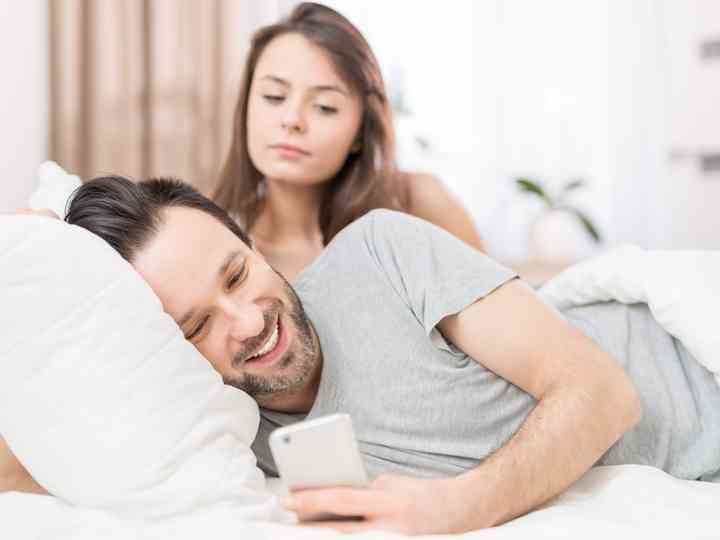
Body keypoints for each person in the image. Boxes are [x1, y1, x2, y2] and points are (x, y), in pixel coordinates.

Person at [6, 176, 720, 535]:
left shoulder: (379, 252)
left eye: (237, 274)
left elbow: (603, 391)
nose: (247, 321)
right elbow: (36, 455)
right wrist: (37, 262)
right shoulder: (218, 439)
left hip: (692, 365)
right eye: (197, 327)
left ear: (252, 246)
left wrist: (458, 507)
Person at [214, 2, 484, 281]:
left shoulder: (419, 202)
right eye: (274, 96)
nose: (292, 120)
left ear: (360, 132)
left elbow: (501, 306)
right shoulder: (223, 247)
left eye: (324, 107)